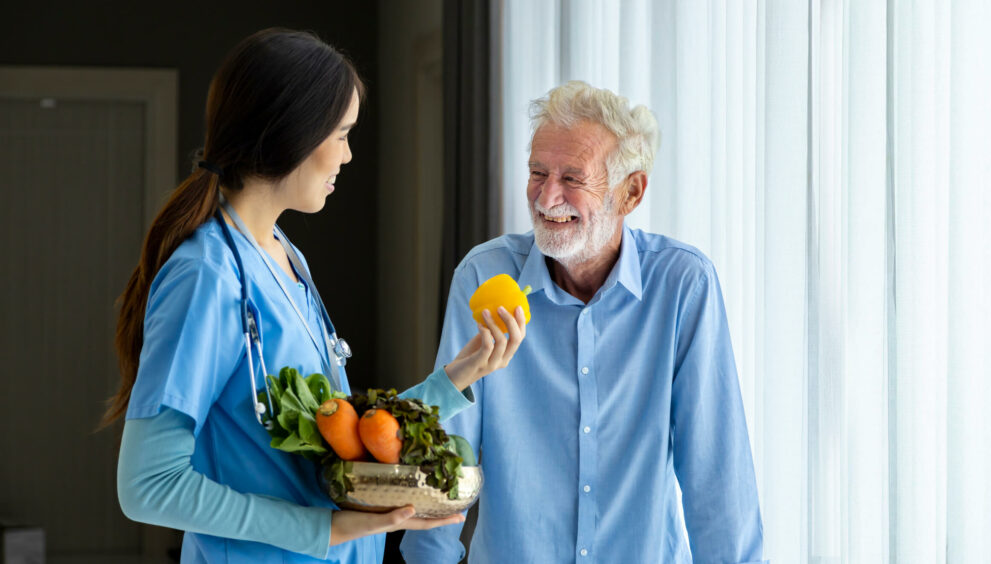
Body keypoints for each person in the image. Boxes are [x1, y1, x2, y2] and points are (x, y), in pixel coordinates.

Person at [103, 28, 527, 563]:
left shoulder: (284, 254)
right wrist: (319, 531)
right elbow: (148, 485)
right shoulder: (207, 275)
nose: (348, 156)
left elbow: (336, 433)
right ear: (293, 132)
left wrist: (456, 379)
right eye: (342, 133)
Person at [401, 80, 766, 563]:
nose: (547, 197)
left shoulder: (682, 284)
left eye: (572, 178)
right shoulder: (483, 275)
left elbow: (716, 477)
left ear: (631, 191)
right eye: (537, 172)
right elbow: (444, 454)